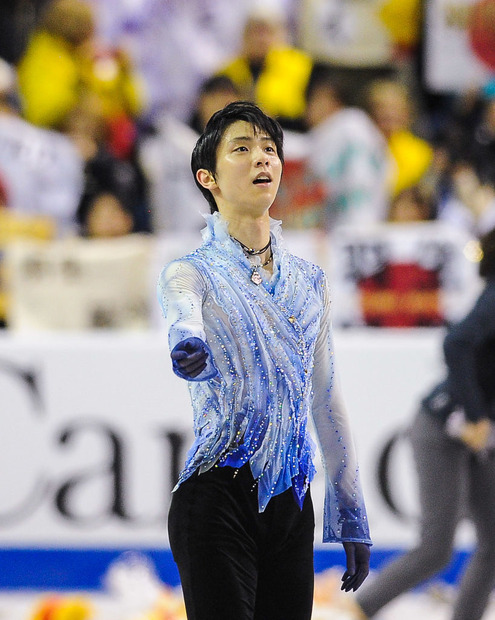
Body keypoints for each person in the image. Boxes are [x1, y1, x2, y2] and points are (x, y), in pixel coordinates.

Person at [157, 101, 371, 620]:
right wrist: (189, 349)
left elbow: (326, 400)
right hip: (215, 500)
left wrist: (350, 511)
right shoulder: (190, 273)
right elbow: (184, 321)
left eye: (270, 149)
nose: (263, 159)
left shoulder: (308, 282)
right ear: (207, 177)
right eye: (243, 148)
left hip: (291, 507)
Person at [350, 226, 495, 620]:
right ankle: (360, 609)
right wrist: (477, 415)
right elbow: (456, 343)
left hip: (471, 434)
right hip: (443, 427)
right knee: (436, 548)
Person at [303, 66, 390, 230]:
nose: (308, 109)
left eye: (314, 101)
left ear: (331, 101)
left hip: (350, 226)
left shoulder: (349, 126)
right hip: (369, 225)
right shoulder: (363, 127)